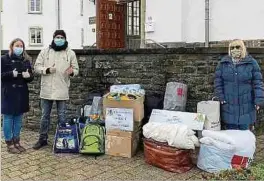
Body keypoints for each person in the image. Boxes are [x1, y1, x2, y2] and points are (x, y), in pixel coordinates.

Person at [33, 30, 79, 149]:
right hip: (47, 90)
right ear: (53, 38)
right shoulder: (45, 52)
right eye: (57, 37)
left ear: (65, 39)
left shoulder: (70, 53)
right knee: (45, 116)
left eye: (61, 37)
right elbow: (36, 67)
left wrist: (72, 72)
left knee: (62, 116)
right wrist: (47, 70)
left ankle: (63, 140)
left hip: (62, 89)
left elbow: (76, 69)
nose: (59, 39)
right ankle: (42, 139)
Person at [214, 39, 264, 130]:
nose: (234, 49)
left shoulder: (251, 63)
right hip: (229, 105)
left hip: (246, 105)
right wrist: (220, 96)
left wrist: (259, 100)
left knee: (245, 135)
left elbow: (258, 83)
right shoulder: (223, 64)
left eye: (237, 47)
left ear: (243, 48)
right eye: (232, 47)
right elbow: (218, 82)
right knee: (231, 136)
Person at [1, 38, 34, 153]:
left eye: (21, 46)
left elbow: (31, 77)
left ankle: (17, 141)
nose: (19, 48)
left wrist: (28, 76)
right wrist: (11, 74)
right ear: (12, 46)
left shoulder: (26, 60)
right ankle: (9, 143)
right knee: (8, 117)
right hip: (9, 93)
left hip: (21, 93)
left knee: (19, 118)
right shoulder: (4, 59)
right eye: (17, 45)